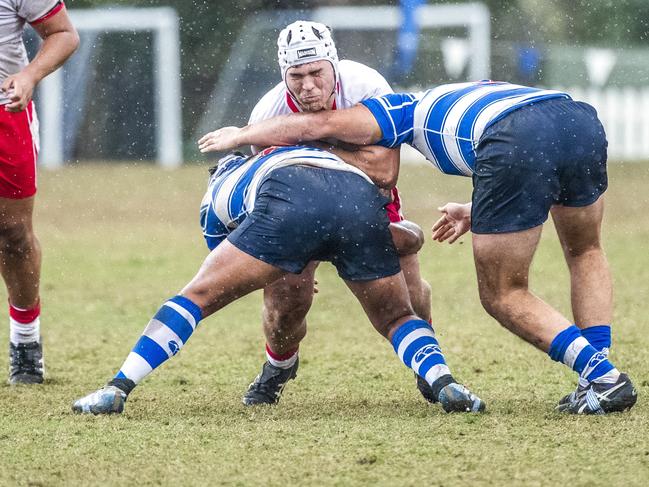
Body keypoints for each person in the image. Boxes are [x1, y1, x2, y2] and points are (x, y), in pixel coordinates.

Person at [198, 81, 638, 415]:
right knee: (585, 251)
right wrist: (475, 207)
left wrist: (243, 136)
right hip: (575, 118)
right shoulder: (473, 95)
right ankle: (595, 372)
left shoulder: (394, 108)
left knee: (503, 294)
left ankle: (603, 377)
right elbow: (532, 153)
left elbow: (316, 124)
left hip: (516, 139)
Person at [72, 146, 485, 415]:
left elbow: (225, 267)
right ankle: (446, 383)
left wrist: (292, 257)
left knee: (195, 298)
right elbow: (407, 236)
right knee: (396, 317)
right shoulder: (315, 154)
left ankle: (118, 387)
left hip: (288, 197)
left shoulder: (219, 189)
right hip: (357, 197)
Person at [240, 21, 434, 406]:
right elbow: (264, 191)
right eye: (296, 76)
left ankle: (428, 365)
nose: (308, 86)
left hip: (370, 198)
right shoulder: (268, 113)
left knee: (409, 294)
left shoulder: (369, 88)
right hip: (300, 208)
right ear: (284, 76)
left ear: (334, 64)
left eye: (316, 73)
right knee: (284, 306)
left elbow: (383, 171)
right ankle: (279, 365)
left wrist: (312, 147)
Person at [0, 1, 79, 384]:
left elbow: (64, 34)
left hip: (4, 111)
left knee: (13, 234)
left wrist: (30, 75)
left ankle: (25, 339)